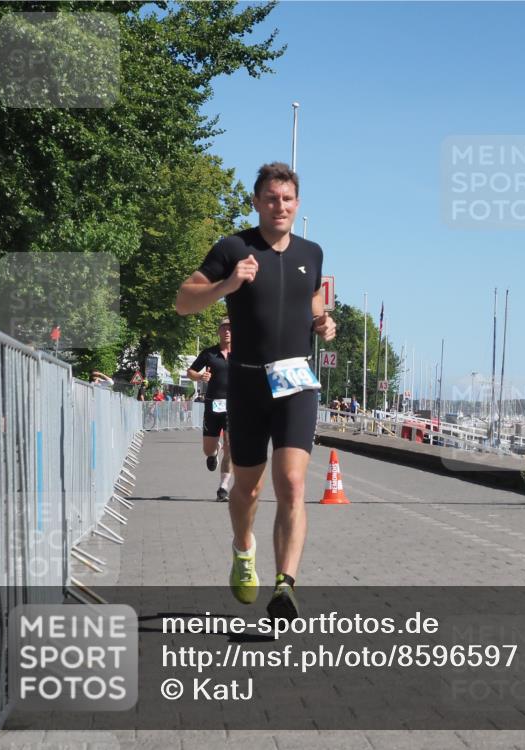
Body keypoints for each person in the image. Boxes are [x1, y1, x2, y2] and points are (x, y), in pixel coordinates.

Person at [175, 162, 336, 621]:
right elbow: (184, 301)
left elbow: (314, 305)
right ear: (256, 202)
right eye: (271, 198)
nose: (279, 206)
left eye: (287, 199)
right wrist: (228, 283)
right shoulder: (234, 248)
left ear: (297, 203)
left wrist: (325, 323)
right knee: (249, 488)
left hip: (295, 382)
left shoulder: (312, 252)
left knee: (293, 484)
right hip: (247, 382)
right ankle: (243, 549)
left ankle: (285, 585)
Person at [188, 318, 233, 501]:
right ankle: (214, 452)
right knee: (208, 449)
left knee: (231, 448)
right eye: (224, 327)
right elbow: (190, 372)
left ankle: (223, 488)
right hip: (213, 406)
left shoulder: (243, 354)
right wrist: (200, 376)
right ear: (219, 332)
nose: (228, 331)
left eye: (231, 328)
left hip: (235, 407)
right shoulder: (209, 354)